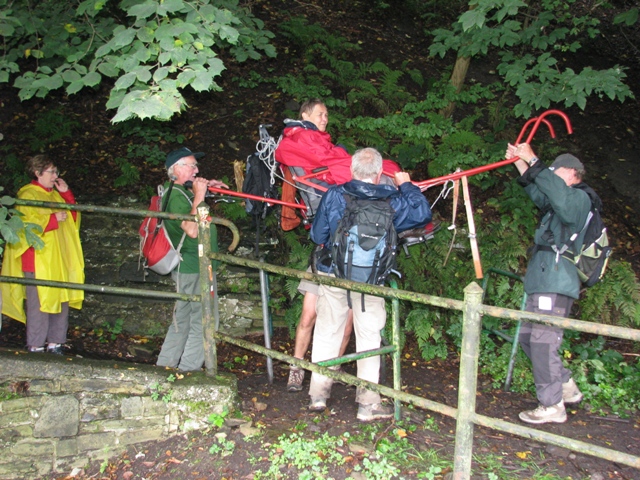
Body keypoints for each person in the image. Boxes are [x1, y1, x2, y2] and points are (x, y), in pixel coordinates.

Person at [308, 147, 432, 421]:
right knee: (369, 337)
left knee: (328, 330)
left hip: (334, 274)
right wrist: (407, 185)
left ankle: (318, 396)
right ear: (379, 175)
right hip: (372, 280)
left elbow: (317, 234)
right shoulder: (394, 201)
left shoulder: (335, 195)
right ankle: (368, 404)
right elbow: (423, 214)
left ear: (352, 170)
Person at [506, 143, 590, 424]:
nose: (550, 177)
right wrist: (520, 162)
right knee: (530, 339)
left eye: (554, 172)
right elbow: (539, 192)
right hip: (542, 280)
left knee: (543, 342)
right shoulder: (558, 200)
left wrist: (533, 159)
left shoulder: (579, 199)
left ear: (569, 173)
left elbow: (557, 196)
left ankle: (552, 405)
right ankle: (565, 388)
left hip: (556, 282)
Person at [1, 155, 84, 354]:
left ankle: (56, 343)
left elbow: (73, 224)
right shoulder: (27, 194)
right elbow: (26, 226)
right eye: (51, 172)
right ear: (37, 173)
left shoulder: (55, 195)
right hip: (37, 260)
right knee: (38, 305)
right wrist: (52, 219)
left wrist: (67, 195)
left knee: (61, 299)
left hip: (59, 259)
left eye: (56, 171)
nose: (55, 176)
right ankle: (36, 345)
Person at [156, 147, 228, 372]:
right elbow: (193, 229)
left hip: (197, 266)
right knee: (205, 320)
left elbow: (202, 216)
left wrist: (209, 191)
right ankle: (188, 371)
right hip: (193, 267)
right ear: (175, 170)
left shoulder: (181, 192)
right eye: (191, 165)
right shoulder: (174, 195)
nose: (197, 170)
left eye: (196, 165)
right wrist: (199, 195)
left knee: (183, 320)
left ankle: (164, 367)